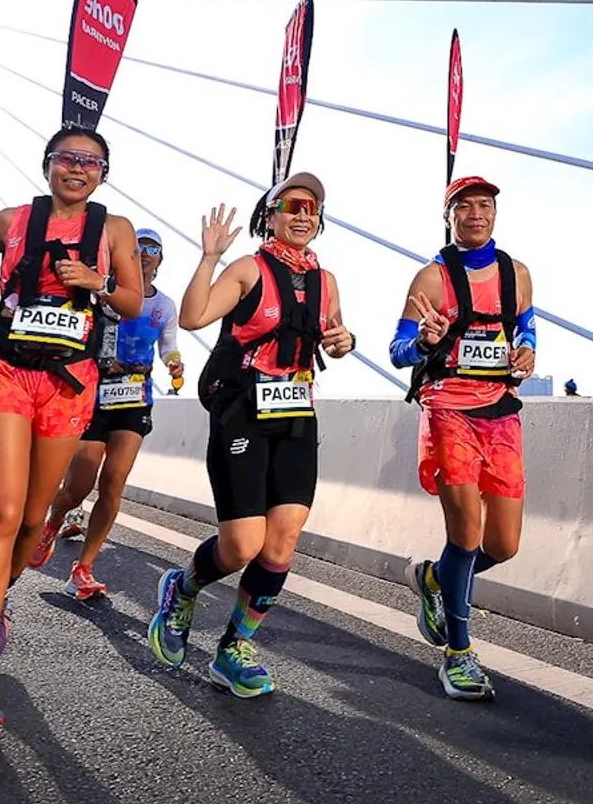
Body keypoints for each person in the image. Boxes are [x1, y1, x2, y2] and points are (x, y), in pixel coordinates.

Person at [0, 126, 143, 740]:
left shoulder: (115, 230)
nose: (76, 169)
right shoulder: (12, 220)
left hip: (69, 385)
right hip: (7, 373)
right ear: (48, 165)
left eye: (90, 162)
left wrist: (98, 285)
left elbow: (132, 301)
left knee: (31, 524)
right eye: (66, 159)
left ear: (103, 174)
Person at [147, 175, 355, 700]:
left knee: (284, 537)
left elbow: (336, 340)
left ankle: (235, 647)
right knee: (242, 545)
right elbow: (193, 316)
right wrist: (210, 257)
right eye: (291, 206)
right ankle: (183, 588)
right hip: (242, 410)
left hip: (296, 412)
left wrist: (345, 340)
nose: (303, 215)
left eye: (313, 207)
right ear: (272, 216)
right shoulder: (248, 269)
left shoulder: (326, 281)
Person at [390, 175, 536, 701]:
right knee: (467, 536)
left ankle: (432, 579)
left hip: (500, 410)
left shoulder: (517, 275)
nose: (476, 214)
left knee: (503, 544)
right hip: (448, 405)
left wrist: (527, 353)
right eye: (465, 206)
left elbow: (527, 331)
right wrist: (422, 342)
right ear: (448, 215)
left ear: (494, 214)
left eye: (485, 205)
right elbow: (398, 350)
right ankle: (458, 652)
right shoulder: (430, 279)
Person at [29, 227, 185, 599]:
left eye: (152, 249)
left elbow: (169, 346)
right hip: (94, 396)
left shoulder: (164, 305)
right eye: (138, 248)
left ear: (160, 258)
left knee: (114, 481)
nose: (145, 254)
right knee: (79, 484)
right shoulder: (103, 294)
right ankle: (53, 523)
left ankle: (83, 568)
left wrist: (175, 364)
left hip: (135, 397)